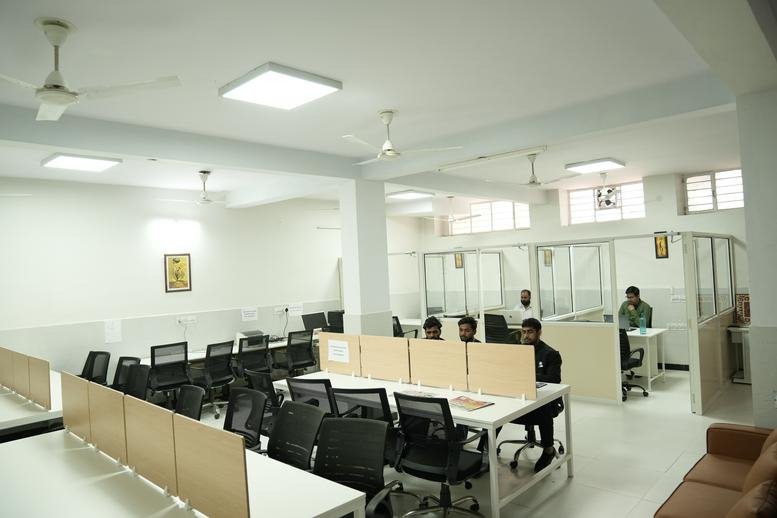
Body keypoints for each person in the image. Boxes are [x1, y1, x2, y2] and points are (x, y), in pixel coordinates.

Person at [514, 318, 563, 472]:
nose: (526, 336)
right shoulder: (518, 351)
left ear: (539, 333)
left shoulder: (550, 354)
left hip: (547, 400)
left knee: (543, 408)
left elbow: (554, 379)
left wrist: (529, 375)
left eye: (530, 332)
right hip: (522, 397)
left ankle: (548, 450)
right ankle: (484, 452)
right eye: (523, 332)